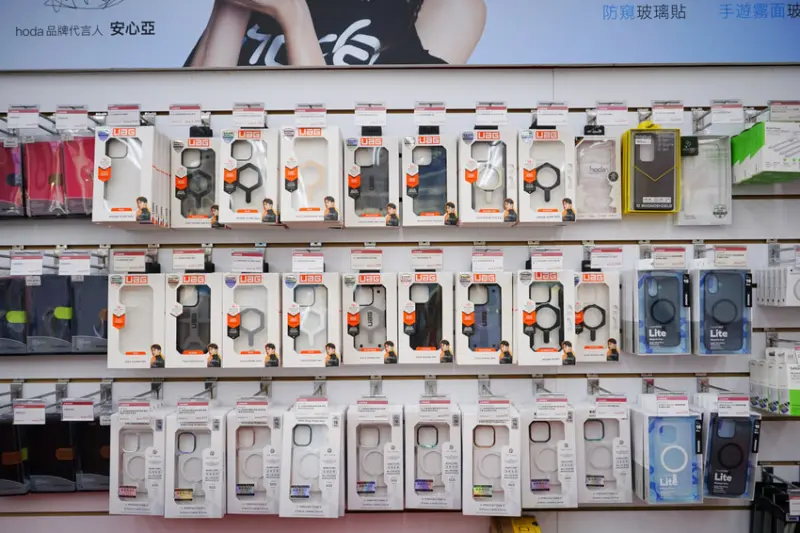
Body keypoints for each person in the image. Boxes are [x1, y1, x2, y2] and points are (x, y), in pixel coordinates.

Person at [186, 0, 487, 67]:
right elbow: (194, 126)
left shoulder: (449, 7)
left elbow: (398, 146)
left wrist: (293, 16)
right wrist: (233, 6)